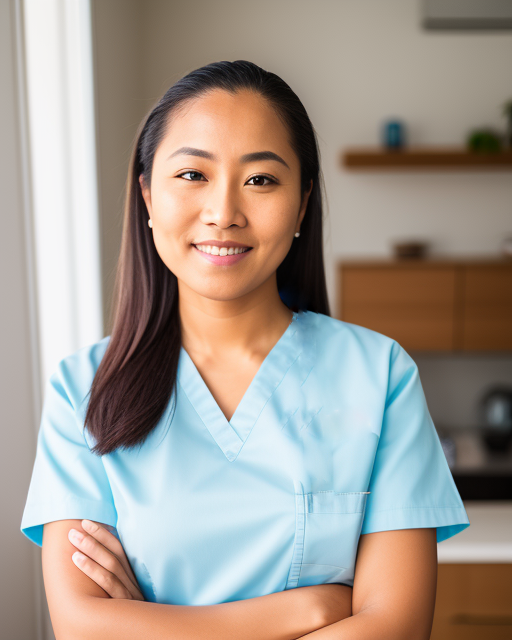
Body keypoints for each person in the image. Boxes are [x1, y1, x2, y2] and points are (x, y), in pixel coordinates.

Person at [21, 60, 469, 640]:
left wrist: (154, 626)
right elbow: (84, 627)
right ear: (148, 195)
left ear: (303, 203)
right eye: (192, 175)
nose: (224, 213)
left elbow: (395, 628)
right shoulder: (82, 389)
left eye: (261, 180)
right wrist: (308, 611)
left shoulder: (380, 376)